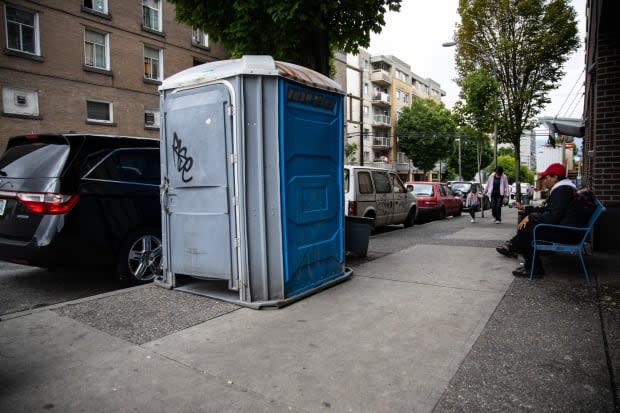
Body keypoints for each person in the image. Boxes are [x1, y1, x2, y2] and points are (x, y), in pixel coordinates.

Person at [495, 163, 589, 277]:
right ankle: (516, 250)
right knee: (527, 225)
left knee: (526, 228)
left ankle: (533, 268)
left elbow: (553, 217)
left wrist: (530, 217)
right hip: (569, 230)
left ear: (555, 177)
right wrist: (526, 209)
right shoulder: (565, 189)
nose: (544, 181)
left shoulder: (562, 191)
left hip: (567, 234)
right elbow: (549, 210)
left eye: (546, 177)